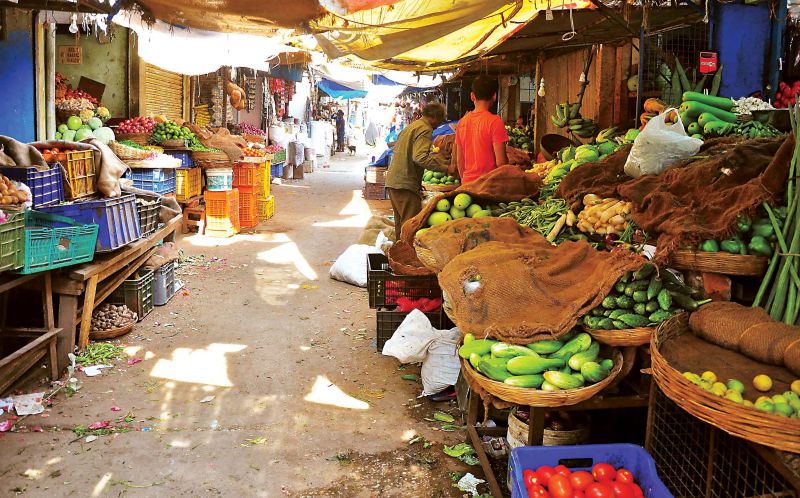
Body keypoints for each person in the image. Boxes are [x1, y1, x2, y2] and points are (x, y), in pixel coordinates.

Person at [385, 102, 453, 238]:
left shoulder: (413, 126)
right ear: (434, 117)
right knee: (411, 227)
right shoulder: (425, 128)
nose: (439, 125)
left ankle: (397, 256)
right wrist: (446, 168)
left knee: (402, 226)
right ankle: (405, 257)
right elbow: (420, 158)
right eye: (440, 121)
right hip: (404, 184)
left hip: (395, 181)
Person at [454, 75, 509, 184]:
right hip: (489, 186)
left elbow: (459, 161)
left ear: (472, 96)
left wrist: (465, 182)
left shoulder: (462, 122)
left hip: (467, 186)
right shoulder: (495, 122)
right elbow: (501, 163)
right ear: (494, 96)